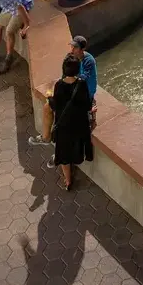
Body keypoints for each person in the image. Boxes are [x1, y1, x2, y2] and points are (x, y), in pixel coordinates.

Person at [48, 54, 94, 190]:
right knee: (74, 148)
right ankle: (76, 161)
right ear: (78, 69)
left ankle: (68, 181)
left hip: (64, 127)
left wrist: (49, 97)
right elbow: (87, 105)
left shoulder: (59, 85)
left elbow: (55, 106)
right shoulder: (82, 84)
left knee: (64, 156)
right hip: (79, 126)